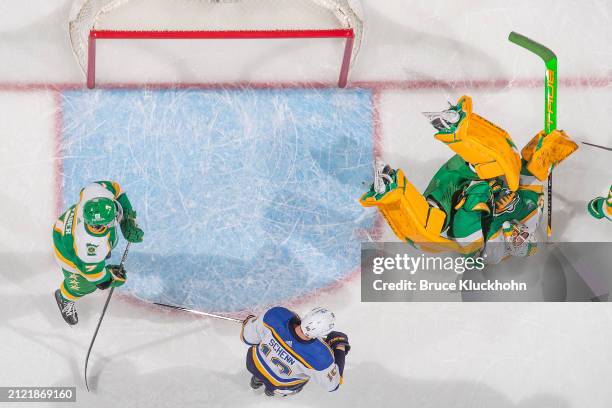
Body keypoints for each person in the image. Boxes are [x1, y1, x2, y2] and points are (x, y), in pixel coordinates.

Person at [360, 95, 578, 263]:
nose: (516, 234)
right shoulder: (531, 212)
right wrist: (550, 151)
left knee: (428, 238)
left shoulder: (492, 248)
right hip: (476, 167)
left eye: (515, 242)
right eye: (523, 236)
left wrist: (479, 195)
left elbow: (462, 228)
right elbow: (531, 173)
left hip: (451, 193)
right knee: (510, 169)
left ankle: (390, 192)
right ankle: (458, 127)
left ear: (510, 248)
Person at [52, 180, 143, 325]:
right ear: (99, 226)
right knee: (83, 285)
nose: (118, 215)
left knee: (100, 253)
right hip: (68, 253)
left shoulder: (94, 192)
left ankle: (100, 258)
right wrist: (110, 278)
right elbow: (94, 276)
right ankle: (65, 297)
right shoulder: (88, 248)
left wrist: (128, 221)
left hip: (66, 230)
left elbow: (115, 189)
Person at [240, 306, 349, 397]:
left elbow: (247, 338)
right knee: (285, 383)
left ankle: (256, 379)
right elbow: (332, 385)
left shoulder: (275, 315)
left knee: (261, 365)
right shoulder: (321, 356)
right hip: (281, 385)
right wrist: (339, 347)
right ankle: (271, 392)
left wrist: (250, 321)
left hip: (253, 363)